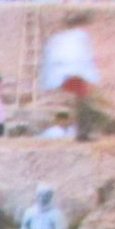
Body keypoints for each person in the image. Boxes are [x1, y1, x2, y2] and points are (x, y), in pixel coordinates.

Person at [40, 12, 100, 141]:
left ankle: (83, 132)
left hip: (67, 74)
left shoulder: (62, 38)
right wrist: (91, 76)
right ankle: (83, 133)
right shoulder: (79, 36)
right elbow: (84, 58)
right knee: (85, 103)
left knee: (84, 103)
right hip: (75, 74)